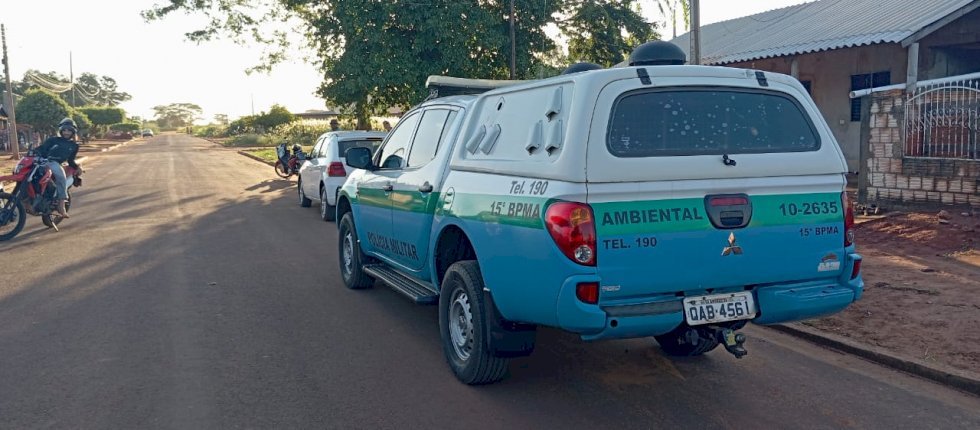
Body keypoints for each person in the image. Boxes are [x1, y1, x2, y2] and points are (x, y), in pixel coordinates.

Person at [35, 118, 82, 218]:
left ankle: (61, 205)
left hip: (55, 163)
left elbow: (70, 160)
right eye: (64, 130)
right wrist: (34, 153)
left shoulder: (74, 146)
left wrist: (77, 167)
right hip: (43, 161)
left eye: (69, 130)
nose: (66, 132)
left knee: (61, 177)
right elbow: (41, 149)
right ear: (61, 130)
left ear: (73, 132)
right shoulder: (53, 140)